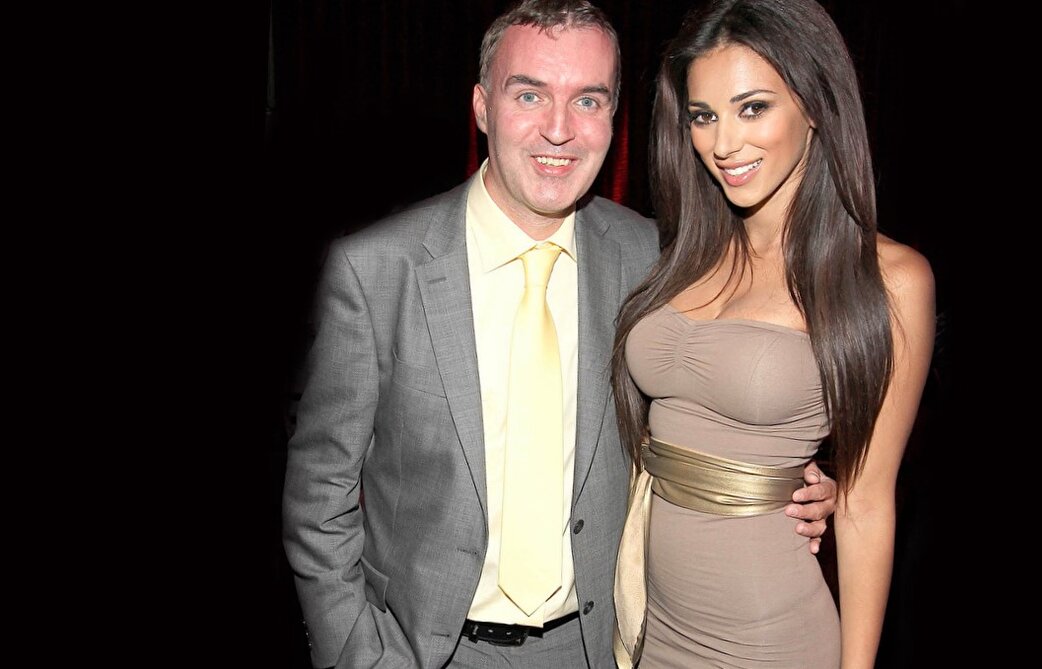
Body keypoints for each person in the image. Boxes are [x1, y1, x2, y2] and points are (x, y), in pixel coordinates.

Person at [282, 1, 839, 668]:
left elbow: (707, 406)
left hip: (599, 647)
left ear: (613, 117)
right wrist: (357, 653)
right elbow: (318, 498)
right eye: (529, 95)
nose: (558, 129)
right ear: (482, 107)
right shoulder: (376, 269)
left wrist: (785, 480)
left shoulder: (654, 261)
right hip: (426, 652)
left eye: (588, 100)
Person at [610, 0, 937, 668]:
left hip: (765, 640)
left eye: (753, 108)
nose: (723, 144)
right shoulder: (683, 255)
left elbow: (866, 505)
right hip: (647, 624)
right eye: (704, 116)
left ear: (815, 105)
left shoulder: (887, 280)